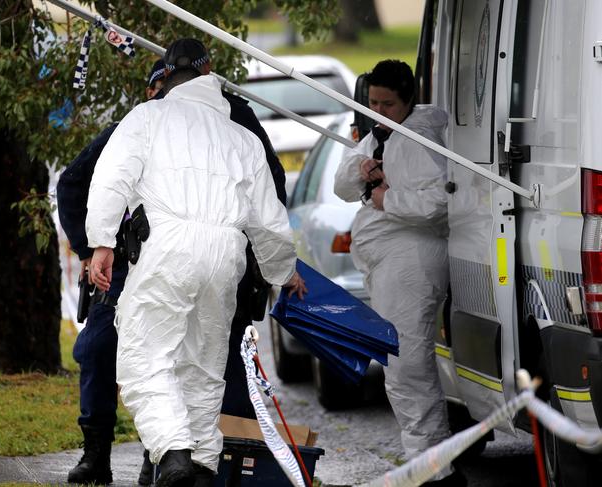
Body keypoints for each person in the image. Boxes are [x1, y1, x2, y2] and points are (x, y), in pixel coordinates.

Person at [85, 39, 306, 487]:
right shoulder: (241, 138)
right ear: (211, 74)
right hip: (226, 254)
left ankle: (174, 456)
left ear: (167, 75)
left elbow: (111, 179)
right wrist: (285, 271)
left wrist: (101, 242)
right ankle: (203, 466)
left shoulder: (148, 118)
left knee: (144, 354)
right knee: (204, 365)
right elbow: (268, 218)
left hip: (169, 246)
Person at [333, 60, 466, 487]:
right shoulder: (378, 134)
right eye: (372, 103)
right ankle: (428, 463)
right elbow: (341, 182)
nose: (378, 111)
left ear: (408, 99)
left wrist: (386, 198)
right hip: (386, 263)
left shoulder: (422, 139)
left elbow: (440, 203)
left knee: (405, 366)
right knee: (402, 363)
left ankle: (433, 468)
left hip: (411, 262)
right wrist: (362, 172)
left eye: (387, 104)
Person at [57, 58, 168, 486]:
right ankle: (95, 455)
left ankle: (154, 456)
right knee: (98, 350)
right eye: (158, 89)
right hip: (120, 265)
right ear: (149, 92)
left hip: (176, 266)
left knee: (164, 360)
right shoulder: (129, 130)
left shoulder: (209, 133)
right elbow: (72, 182)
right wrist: (87, 250)